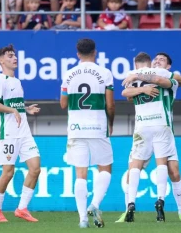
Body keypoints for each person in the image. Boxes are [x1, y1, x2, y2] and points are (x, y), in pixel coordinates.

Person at [115, 52, 181, 223]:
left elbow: (177, 80)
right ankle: (149, 204)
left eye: (162, 60)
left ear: (169, 66)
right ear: (150, 63)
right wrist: (141, 86)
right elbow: (127, 93)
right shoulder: (151, 74)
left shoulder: (157, 74)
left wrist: (137, 76)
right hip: (158, 127)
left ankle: (180, 211)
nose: (157, 61)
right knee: (150, 165)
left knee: (173, 172)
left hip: (148, 127)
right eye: (155, 59)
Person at [60, 38, 115, 229]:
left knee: (80, 174)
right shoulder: (105, 73)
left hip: (76, 127)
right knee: (105, 168)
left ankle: (83, 218)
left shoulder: (69, 74)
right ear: (95, 52)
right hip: (98, 126)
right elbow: (110, 104)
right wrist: (111, 123)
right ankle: (95, 204)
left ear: (77, 53)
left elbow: (63, 103)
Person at [0, 44, 41, 222]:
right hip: (8, 133)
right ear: (1, 60)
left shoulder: (16, 81)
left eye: (15, 55)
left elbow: (13, 105)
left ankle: (22, 208)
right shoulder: (0, 80)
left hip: (24, 132)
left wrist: (25, 108)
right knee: (8, 172)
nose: (14, 58)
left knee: (35, 169)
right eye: (10, 56)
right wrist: (12, 111)